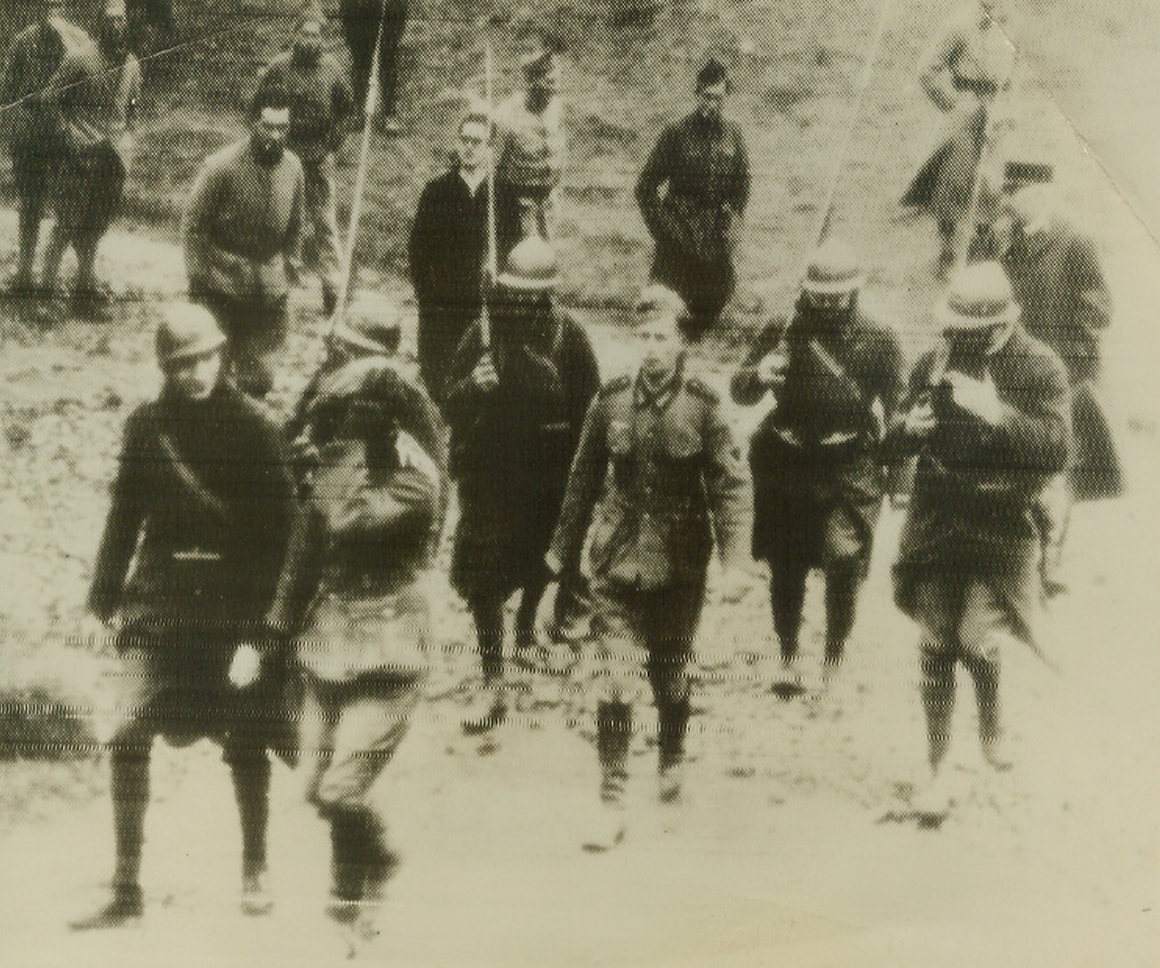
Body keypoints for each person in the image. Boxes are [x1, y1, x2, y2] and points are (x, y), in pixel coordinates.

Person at [70, 303, 297, 929]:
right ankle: (125, 887)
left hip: (234, 607)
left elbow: (289, 540)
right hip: (162, 601)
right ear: (166, 369)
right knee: (126, 728)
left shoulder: (257, 428)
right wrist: (100, 604)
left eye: (204, 358)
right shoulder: (148, 427)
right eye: (181, 363)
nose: (194, 372)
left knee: (247, 734)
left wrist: (264, 633)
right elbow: (124, 519)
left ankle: (255, 867)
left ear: (222, 355)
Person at [546, 285, 752, 850]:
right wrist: (559, 554)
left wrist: (736, 562)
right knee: (614, 682)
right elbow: (582, 480)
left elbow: (731, 487)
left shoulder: (704, 406)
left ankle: (671, 755)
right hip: (615, 562)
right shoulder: (610, 400)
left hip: (679, 565)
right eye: (644, 337)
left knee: (671, 676)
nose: (651, 348)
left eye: (661, 337)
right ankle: (610, 800)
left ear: (681, 342)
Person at [268, 314, 444, 941]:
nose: (349, 413)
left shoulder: (416, 482)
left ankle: (349, 910)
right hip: (329, 639)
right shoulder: (334, 457)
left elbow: (346, 521)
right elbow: (305, 550)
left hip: (390, 650)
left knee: (342, 788)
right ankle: (378, 856)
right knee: (314, 787)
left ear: (387, 414)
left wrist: (316, 470)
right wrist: (273, 633)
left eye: (361, 405)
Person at [885, 262, 1070, 823]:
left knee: (974, 637)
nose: (954, 342)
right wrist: (906, 431)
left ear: (997, 328)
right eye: (951, 330)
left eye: (967, 333)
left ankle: (991, 727)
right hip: (940, 521)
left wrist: (997, 414)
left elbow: (1056, 448)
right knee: (935, 642)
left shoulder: (1039, 366)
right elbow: (890, 445)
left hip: (1002, 526)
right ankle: (938, 764)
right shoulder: (935, 360)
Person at [442, 236, 600, 733]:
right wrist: (474, 385)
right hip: (490, 475)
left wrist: (584, 468)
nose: (525, 303)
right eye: (516, 291)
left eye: (536, 294)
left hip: (546, 474)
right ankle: (493, 679)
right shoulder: (483, 333)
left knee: (540, 561)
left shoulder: (569, 337)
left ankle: (528, 627)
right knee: (484, 577)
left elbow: (590, 408)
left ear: (550, 293)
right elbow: (447, 401)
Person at [731, 241, 903, 693]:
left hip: (848, 466)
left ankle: (833, 655)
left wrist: (900, 480)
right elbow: (740, 390)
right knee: (787, 566)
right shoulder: (782, 327)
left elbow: (899, 410)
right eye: (819, 295)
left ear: (856, 291)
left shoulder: (880, 337)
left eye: (837, 296)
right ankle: (788, 656)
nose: (827, 304)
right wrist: (759, 375)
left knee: (844, 559)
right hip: (786, 463)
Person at [996, 177, 1121, 593]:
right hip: (1017, 373)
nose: (1010, 203)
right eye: (1008, 196)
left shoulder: (1076, 241)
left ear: (1041, 195)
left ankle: (1047, 566)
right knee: (1020, 463)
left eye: (1017, 195)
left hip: (1067, 376)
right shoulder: (1006, 241)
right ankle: (1021, 559)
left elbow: (1101, 306)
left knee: (1059, 471)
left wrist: (1069, 348)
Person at [183, 90, 304, 398]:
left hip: (269, 288)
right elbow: (194, 224)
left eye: (283, 128)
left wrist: (291, 264)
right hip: (223, 285)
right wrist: (199, 277)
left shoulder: (294, 167)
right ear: (253, 123)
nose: (276, 136)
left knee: (260, 380)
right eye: (268, 126)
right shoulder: (221, 166)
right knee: (212, 376)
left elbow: (296, 224)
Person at [636, 58, 750, 338]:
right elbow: (645, 188)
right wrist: (666, 230)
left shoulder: (734, 135)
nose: (712, 105)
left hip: (712, 239)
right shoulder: (676, 133)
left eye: (719, 99)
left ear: (726, 98)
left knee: (715, 296)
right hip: (678, 236)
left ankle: (690, 346)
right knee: (662, 308)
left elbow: (743, 184)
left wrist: (731, 223)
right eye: (707, 97)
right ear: (697, 94)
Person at [41, 0, 142, 312]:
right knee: (67, 225)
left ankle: (84, 294)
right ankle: (43, 294)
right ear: (101, 23)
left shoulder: (132, 65)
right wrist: (67, 135)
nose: (117, 26)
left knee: (95, 228)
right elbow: (49, 99)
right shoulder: (80, 59)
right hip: (79, 158)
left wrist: (128, 139)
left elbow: (134, 109)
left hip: (112, 160)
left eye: (121, 20)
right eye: (111, 20)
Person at [255, 4, 355, 317]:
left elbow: (347, 111)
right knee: (280, 221)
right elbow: (257, 108)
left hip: (318, 158)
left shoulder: (332, 69)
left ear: (322, 38)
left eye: (315, 35)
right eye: (304, 33)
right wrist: (267, 144)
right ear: (295, 34)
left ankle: (332, 290)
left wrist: (331, 145)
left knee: (325, 224)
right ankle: (275, 287)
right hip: (284, 157)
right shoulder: (278, 67)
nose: (309, 40)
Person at [902, 1, 1015, 274]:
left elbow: (1013, 71)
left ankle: (983, 250)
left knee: (993, 180)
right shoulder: (959, 26)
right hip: (966, 106)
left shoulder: (1009, 25)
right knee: (954, 178)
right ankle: (947, 249)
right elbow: (928, 70)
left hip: (996, 109)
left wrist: (1007, 108)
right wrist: (953, 102)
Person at [0, 0, 91, 293]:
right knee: (31, 204)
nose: (54, 9)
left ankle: (73, 276)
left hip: (67, 135)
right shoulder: (23, 41)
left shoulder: (79, 39)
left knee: (73, 205)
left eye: (59, 3)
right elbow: (7, 90)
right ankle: (25, 273)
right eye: (48, 4)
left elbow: (90, 84)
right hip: (30, 137)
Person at [408, 111, 493, 400]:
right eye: (464, 140)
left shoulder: (499, 195)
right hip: (441, 301)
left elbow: (510, 249)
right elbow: (417, 249)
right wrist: (426, 295)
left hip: (481, 300)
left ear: (489, 147)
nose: (469, 147)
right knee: (439, 377)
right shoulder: (437, 191)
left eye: (477, 142)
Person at [493, 41, 565, 253]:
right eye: (545, 79)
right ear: (531, 82)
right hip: (514, 205)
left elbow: (560, 151)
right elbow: (492, 167)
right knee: (519, 262)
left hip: (548, 204)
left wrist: (556, 191)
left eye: (554, 78)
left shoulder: (556, 108)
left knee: (546, 263)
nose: (551, 87)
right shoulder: (506, 114)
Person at [340, 0, 408, 133]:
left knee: (388, 59)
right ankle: (359, 111)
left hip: (389, 9)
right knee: (360, 59)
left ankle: (389, 114)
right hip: (358, 10)